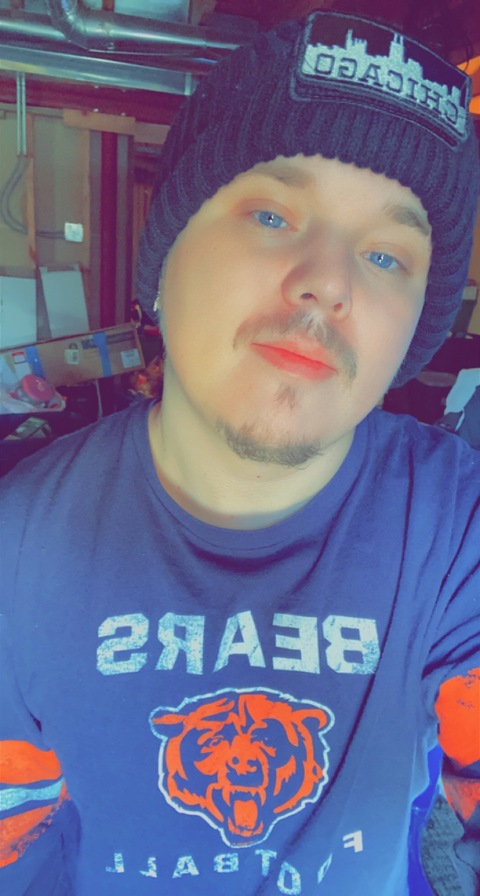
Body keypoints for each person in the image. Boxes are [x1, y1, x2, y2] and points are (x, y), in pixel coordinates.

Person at [1, 10, 479, 896]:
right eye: (270, 213)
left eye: (386, 255)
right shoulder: (20, 544)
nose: (328, 282)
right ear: (165, 252)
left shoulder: (457, 528)